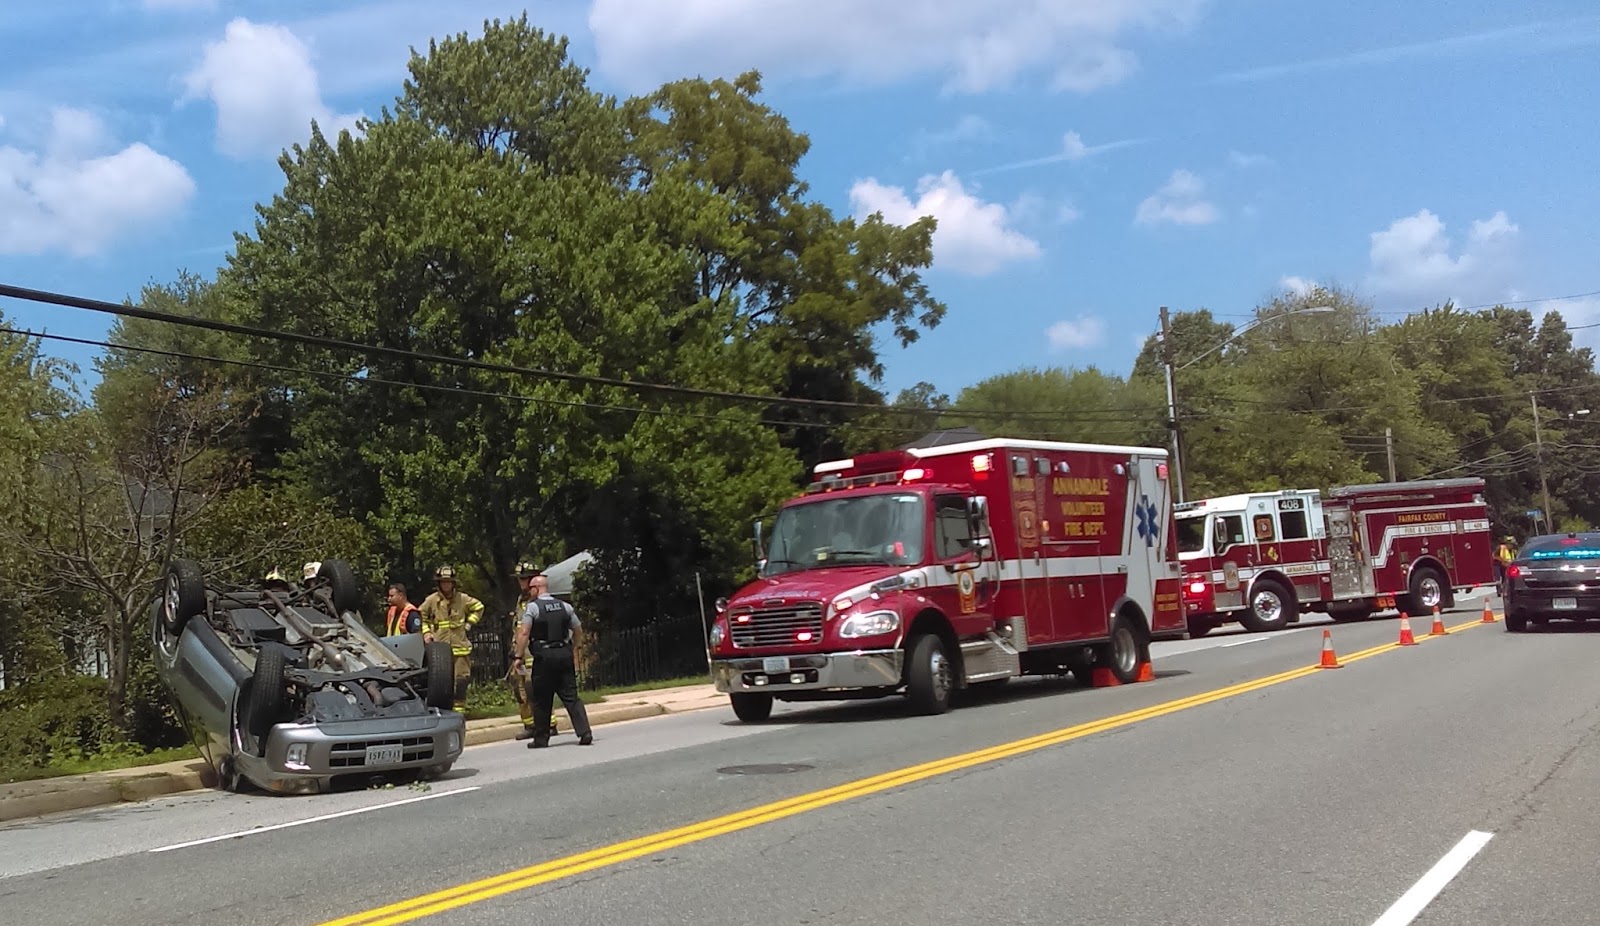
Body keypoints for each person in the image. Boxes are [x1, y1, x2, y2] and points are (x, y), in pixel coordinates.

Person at [511, 573, 593, 748]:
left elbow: (524, 633)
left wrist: (518, 656)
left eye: (531, 588)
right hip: (564, 655)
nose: (529, 591)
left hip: (544, 657)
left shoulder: (532, 608)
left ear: (537, 588)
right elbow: (578, 630)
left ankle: (541, 739)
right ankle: (585, 732)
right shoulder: (565, 606)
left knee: (542, 699)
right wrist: (572, 647)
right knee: (571, 697)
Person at [418, 565, 484, 713]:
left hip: (460, 646)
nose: (446, 584)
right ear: (439, 583)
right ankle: (442, 711)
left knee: (461, 680)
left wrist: (469, 623)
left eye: (448, 581)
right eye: (443, 581)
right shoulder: (432, 600)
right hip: (440, 650)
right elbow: (420, 615)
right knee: (441, 683)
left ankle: (459, 712)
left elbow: (479, 607)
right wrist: (426, 632)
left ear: (453, 583)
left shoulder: (463, 598)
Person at [507, 562, 558, 741]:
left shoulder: (538, 601)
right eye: (519, 579)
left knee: (536, 689)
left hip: (533, 652)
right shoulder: (521, 600)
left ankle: (548, 724)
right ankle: (529, 724)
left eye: (523, 579)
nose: (520, 583)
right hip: (520, 652)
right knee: (520, 690)